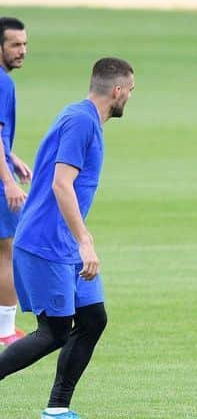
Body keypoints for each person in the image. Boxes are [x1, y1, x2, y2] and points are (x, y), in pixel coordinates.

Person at [0, 57, 135, 419]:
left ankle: (57, 409)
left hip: (64, 244)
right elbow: (62, 184)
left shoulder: (82, 116)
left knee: (93, 320)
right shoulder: (81, 122)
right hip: (48, 243)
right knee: (54, 332)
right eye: (131, 92)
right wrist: (85, 240)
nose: (130, 99)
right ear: (118, 91)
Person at [0, 17, 33, 347]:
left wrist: (12, 156)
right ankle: (5, 330)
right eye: (14, 45)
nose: (22, 51)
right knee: (6, 253)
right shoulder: (2, 83)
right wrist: (8, 180)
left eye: (24, 44)